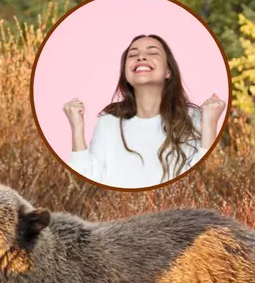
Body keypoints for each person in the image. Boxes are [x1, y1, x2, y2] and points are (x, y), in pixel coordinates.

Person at [62, 34, 226, 189]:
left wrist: (210, 124)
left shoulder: (192, 118)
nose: (141, 57)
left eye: (153, 52)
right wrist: (77, 128)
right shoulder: (109, 122)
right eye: (133, 55)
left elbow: (206, 180)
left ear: (168, 71)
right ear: (126, 74)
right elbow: (86, 180)